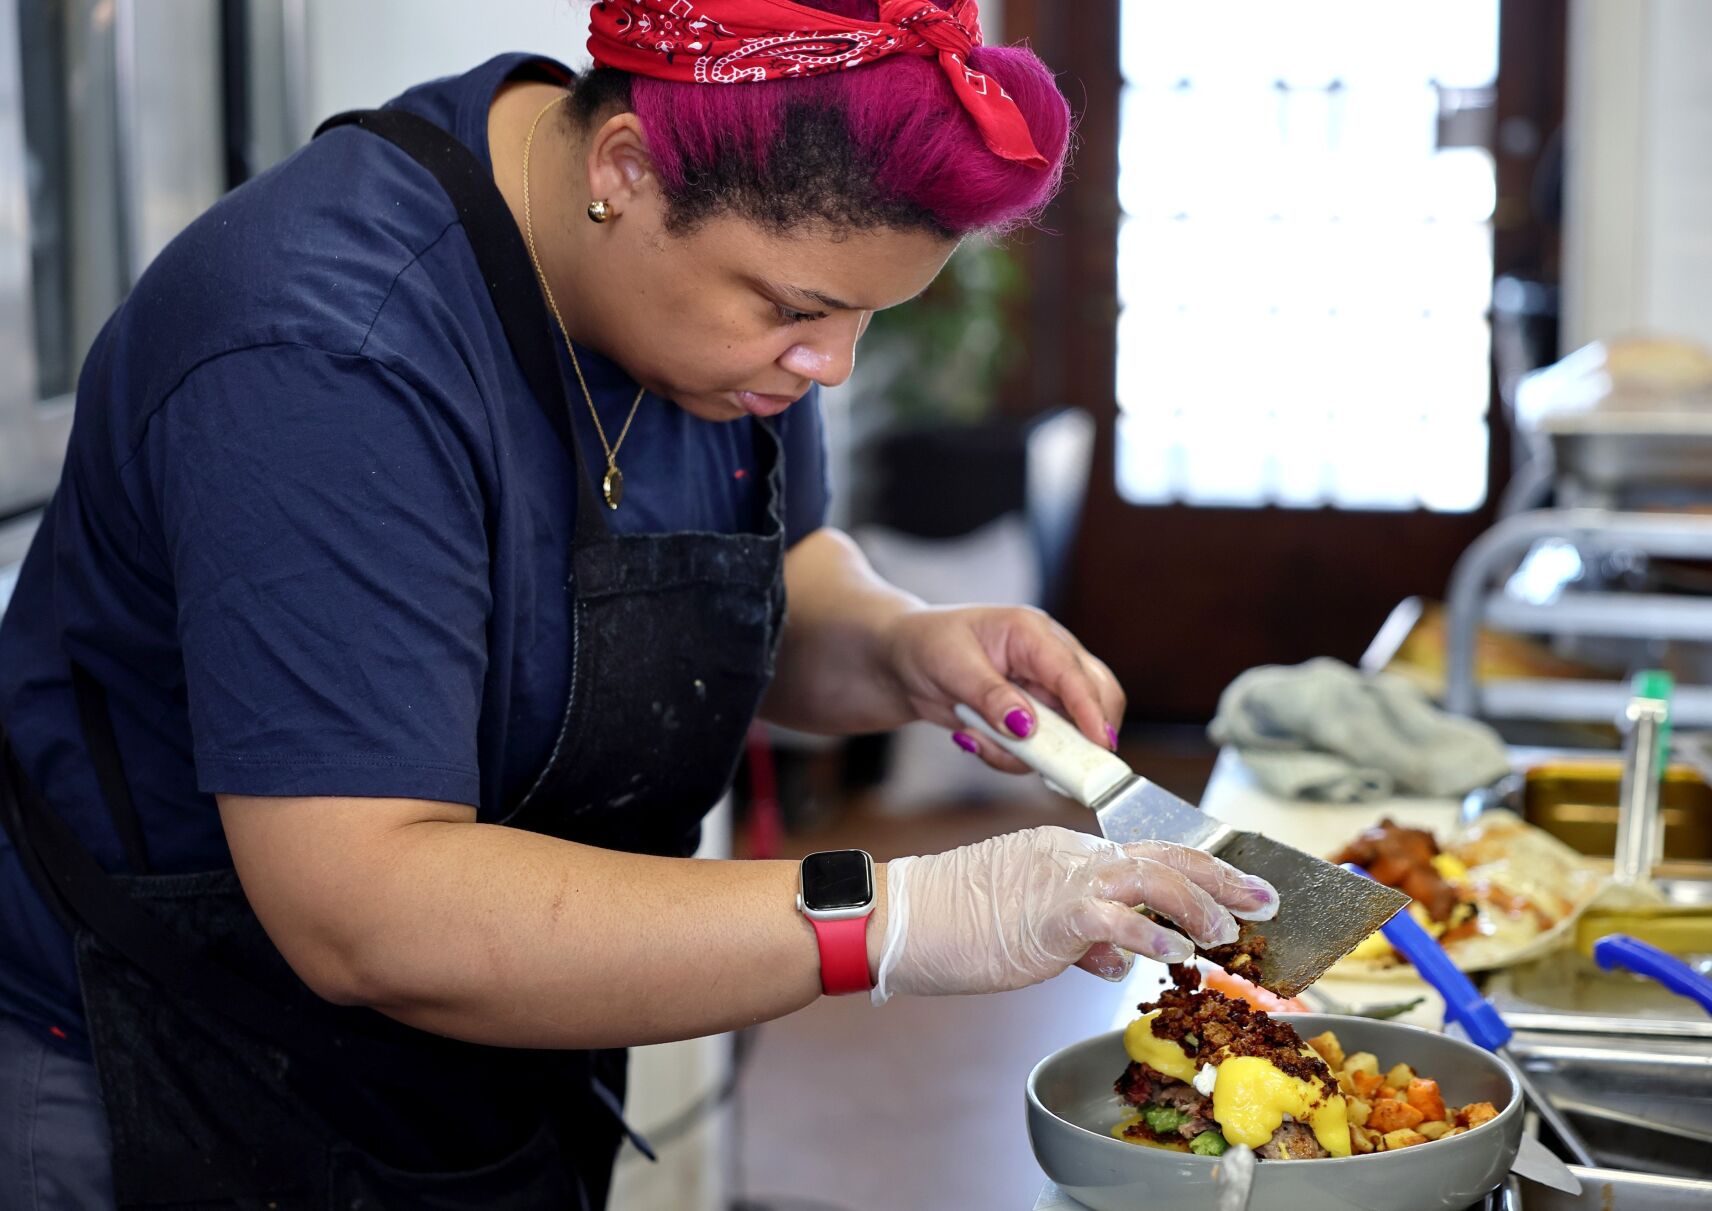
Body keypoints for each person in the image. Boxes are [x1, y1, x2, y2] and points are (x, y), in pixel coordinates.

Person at [0, 1, 1278, 1207]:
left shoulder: (705, 279)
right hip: (171, 1062)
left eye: (863, 321)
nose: (828, 364)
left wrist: (899, 640)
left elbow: (758, 574)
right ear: (623, 165)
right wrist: (894, 915)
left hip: (479, 1059)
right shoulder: (327, 354)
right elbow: (366, 911)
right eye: (798, 310)